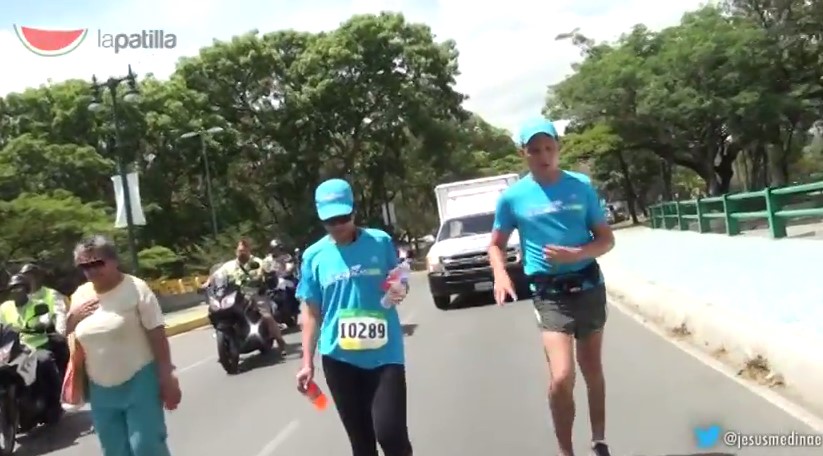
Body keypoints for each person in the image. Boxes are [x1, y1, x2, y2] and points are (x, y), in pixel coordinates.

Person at [488, 118, 616, 456]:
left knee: (592, 368)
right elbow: (495, 244)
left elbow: (606, 239)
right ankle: (565, 450)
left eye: (549, 148)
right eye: (535, 150)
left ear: (558, 148)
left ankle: (599, 439)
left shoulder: (581, 186)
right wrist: (500, 274)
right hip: (549, 293)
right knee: (561, 376)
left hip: (588, 284)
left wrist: (578, 252)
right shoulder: (513, 198)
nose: (544, 156)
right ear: (523, 154)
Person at [296, 178, 412, 456]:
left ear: (354, 212)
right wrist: (306, 362)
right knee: (362, 444)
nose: (338, 226)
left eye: (343, 218)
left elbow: (399, 278)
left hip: (385, 355)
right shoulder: (314, 256)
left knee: (391, 435)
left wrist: (400, 288)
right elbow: (312, 312)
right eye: (331, 221)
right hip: (339, 359)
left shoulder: (380, 241)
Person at [69, 234, 181, 456]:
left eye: (97, 263)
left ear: (114, 261)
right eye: (84, 266)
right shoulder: (80, 295)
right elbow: (69, 335)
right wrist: (72, 319)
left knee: (146, 447)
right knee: (115, 451)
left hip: (140, 382)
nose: (91, 270)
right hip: (100, 389)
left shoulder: (136, 289)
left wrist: (167, 376)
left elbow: (157, 334)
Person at [0, 274, 64, 423]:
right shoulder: (4, 307)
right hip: (11, 348)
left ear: (27, 289)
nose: (17, 291)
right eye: (14, 288)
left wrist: (40, 325)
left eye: (20, 287)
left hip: (37, 346)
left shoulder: (38, 304)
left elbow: (45, 319)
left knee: (45, 361)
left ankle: (55, 403)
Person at [211, 239, 287, 351]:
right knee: (217, 311)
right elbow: (216, 275)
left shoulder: (259, 262)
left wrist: (264, 277)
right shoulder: (229, 265)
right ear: (236, 251)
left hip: (254, 294)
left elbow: (267, 273)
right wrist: (207, 283)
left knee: (267, 316)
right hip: (234, 295)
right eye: (239, 250)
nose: (241, 252)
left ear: (248, 250)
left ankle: (280, 341)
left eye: (244, 250)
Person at [19, 263, 70, 376]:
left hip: (46, 337)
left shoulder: (52, 294)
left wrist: (60, 333)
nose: (28, 279)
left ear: (39, 277)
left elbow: (60, 314)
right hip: (22, 340)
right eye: (25, 276)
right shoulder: (18, 296)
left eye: (31, 276)